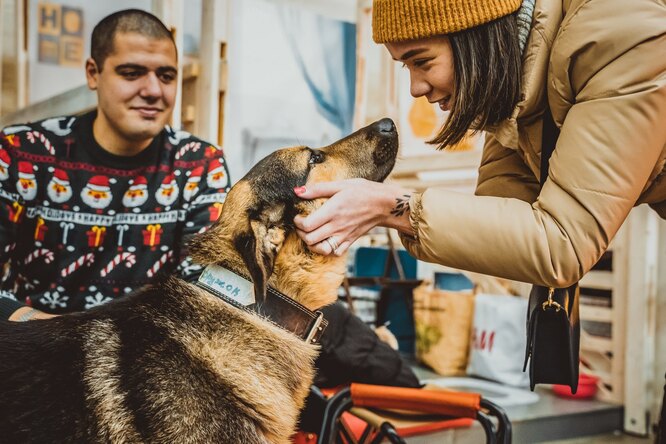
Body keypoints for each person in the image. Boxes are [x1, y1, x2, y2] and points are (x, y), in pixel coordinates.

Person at [293, 0, 666, 438]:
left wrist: (389, 207)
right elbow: (503, 220)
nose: (415, 87)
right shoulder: (517, 91)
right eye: (404, 66)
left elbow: (562, 243)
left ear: (477, 36)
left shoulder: (619, 36)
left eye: (422, 61)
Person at [0, 9, 230, 321]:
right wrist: (52, 333)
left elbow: (205, 292)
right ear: (93, 74)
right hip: (32, 344)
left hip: (144, 354)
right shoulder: (21, 151)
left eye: (166, 76)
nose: (152, 91)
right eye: (132, 73)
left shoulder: (199, 165)